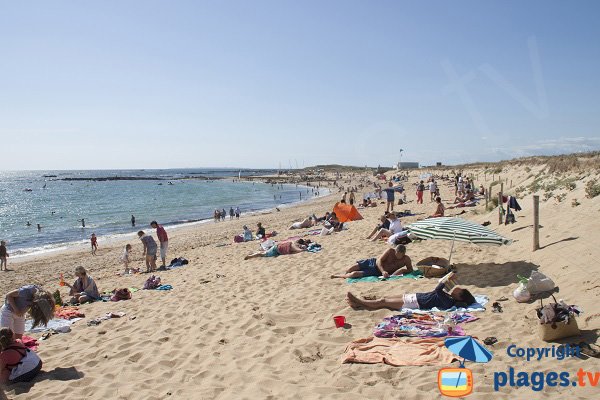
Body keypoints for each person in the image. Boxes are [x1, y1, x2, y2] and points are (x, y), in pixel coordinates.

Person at [346, 272, 476, 311]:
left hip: (414, 303)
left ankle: (359, 302)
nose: (457, 288)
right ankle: (359, 304)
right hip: (414, 297)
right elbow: (440, 288)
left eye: (459, 291)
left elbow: (438, 289)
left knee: (383, 301)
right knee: (384, 299)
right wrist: (449, 278)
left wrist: (447, 279)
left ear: (459, 297)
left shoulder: (448, 301)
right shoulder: (450, 298)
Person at [330, 245, 413, 279]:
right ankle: (345, 274)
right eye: (396, 254)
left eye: (399, 255)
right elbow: (379, 260)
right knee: (351, 268)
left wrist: (402, 271)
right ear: (395, 251)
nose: (397, 257)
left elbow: (410, 269)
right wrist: (383, 271)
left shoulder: (406, 259)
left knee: (354, 274)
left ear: (403, 254)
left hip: (376, 271)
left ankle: (338, 276)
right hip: (373, 262)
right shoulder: (390, 251)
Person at [244, 239, 309, 260]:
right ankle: (251, 256)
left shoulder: (293, 242)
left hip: (276, 248)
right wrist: (305, 249)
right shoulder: (294, 246)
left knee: (265, 252)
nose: (302, 246)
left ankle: (253, 252)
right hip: (275, 250)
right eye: (302, 246)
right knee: (262, 254)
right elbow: (300, 250)